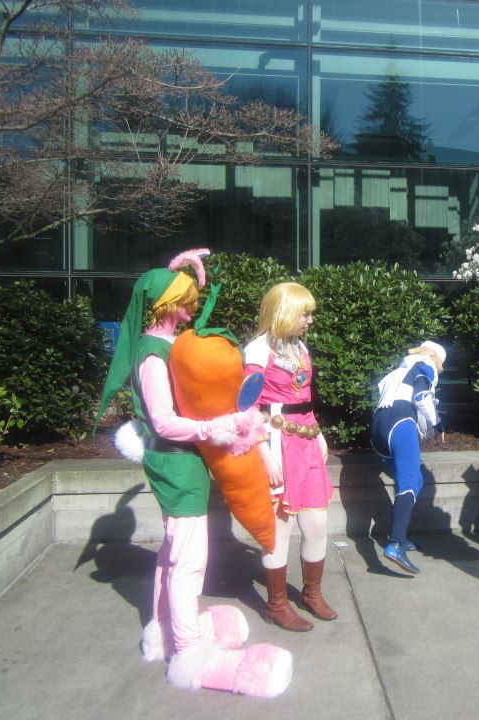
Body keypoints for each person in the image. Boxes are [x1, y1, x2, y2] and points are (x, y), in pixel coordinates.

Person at [95, 249, 292, 696]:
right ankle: (189, 654)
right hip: (176, 464)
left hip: (180, 462)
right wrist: (216, 427)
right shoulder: (153, 353)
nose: (191, 308)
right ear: (166, 306)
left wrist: (173, 267)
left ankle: (165, 631)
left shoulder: (163, 343)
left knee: (172, 556)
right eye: (184, 300)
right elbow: (163, 420)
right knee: (189, 561)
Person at [244, 282, 335, 632]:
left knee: (317, 523)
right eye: (304, 313)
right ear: (284, 312)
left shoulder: (299, 348)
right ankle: (277, 604)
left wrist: (319, 433)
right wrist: (265, 456)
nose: (310, 320)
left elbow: (305, 398)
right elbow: (247, 410)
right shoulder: (256, 351)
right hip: (275, 445)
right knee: (278, 530)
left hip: (306, 441)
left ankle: (312, 593)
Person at [370, 341, 447, 574]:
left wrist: (424, 429)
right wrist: (438, 424)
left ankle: (400, 537)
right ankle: (395, 543)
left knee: (414, 481)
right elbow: (422, 397)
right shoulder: (425, 365)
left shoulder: (397, 370)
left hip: (377, 429)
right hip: (400, 423)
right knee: (410, 481)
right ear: (435, 357)